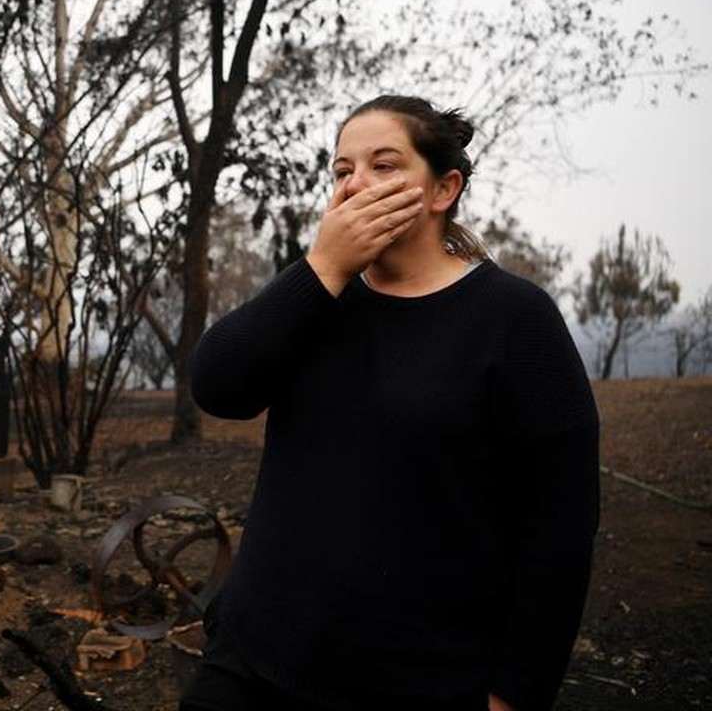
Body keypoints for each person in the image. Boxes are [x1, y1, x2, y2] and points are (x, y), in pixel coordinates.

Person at [181, 95, 599, 711]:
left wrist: (517, 690)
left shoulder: (514, 318)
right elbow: (218, 387)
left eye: (383, 165)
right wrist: (323, 266)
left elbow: (560, 524)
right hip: (254, 657)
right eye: (342, 170)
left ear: (442, 190)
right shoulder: (315, 299)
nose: (357, 184)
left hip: (417, 679)